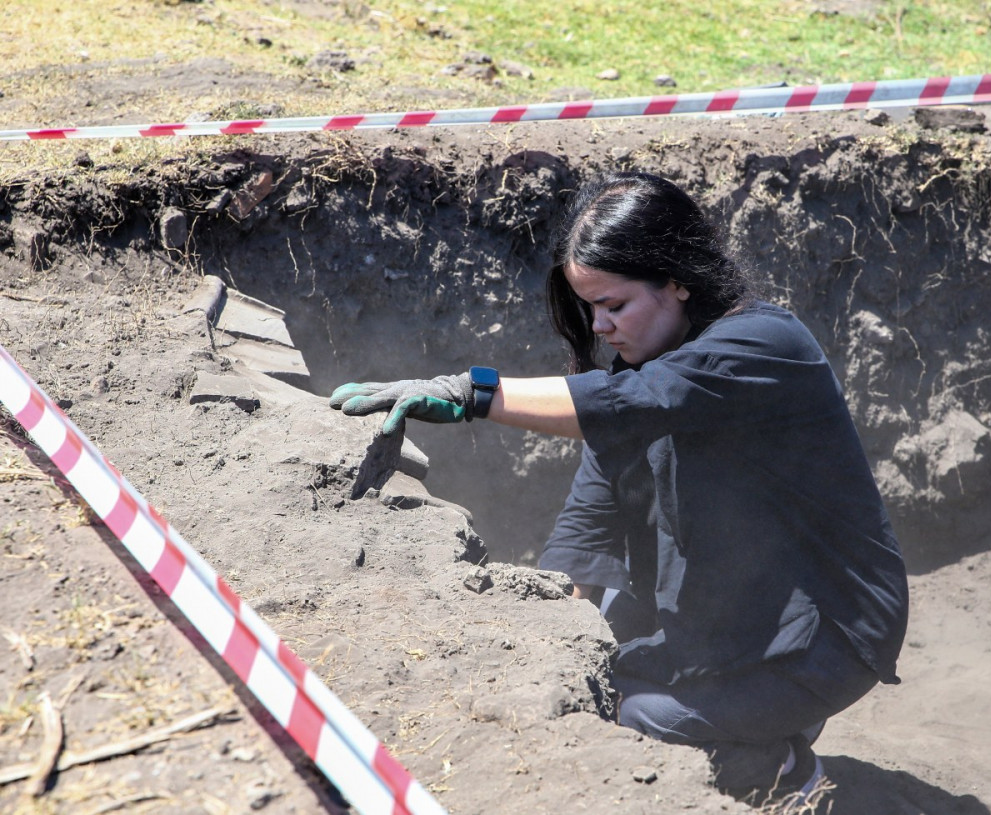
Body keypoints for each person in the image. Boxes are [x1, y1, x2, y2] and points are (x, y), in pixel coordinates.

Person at [329, 171, 909, 808]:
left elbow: (630, 402)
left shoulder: (763, 344)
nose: (600, 326)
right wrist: (547, 629)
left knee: (630, 719)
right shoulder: (640, 368)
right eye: (590, 309)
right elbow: (593, 511)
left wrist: (474, 392)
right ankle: (753, 714)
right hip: (731, 604)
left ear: (677, 281)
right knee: (588, 679)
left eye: (615, 306)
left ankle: (780, 758)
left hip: (828, 629)